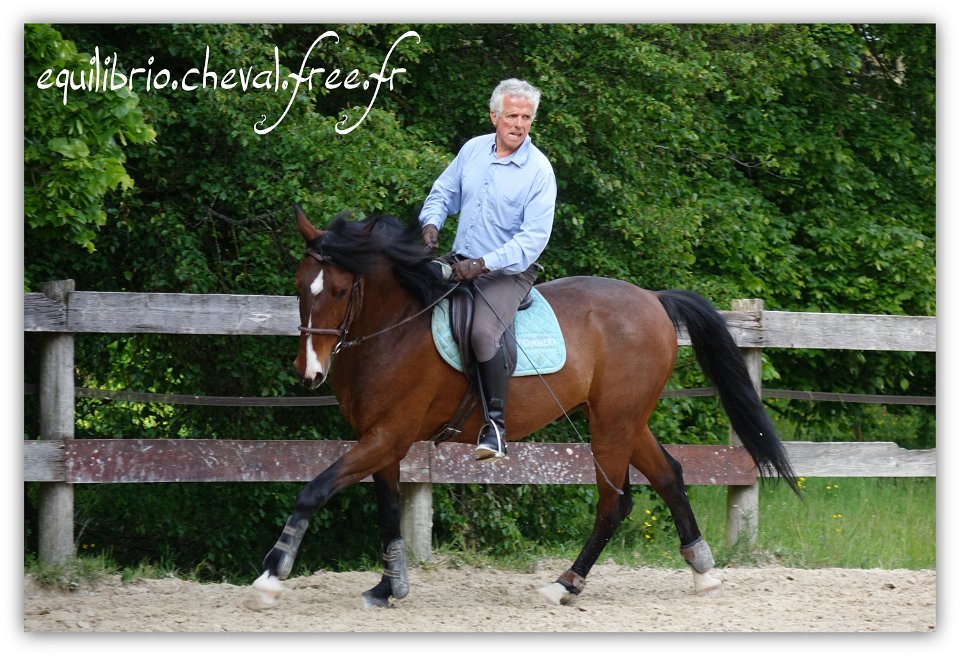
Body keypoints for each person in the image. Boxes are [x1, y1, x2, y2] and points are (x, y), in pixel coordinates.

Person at [419, 78, 557, 461]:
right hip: (461, 259)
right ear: (494, 115)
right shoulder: (472, 150)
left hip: (508, 271)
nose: (519, 124)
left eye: (526, 117)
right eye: (512, 115)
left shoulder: (539, 172)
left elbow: (532, 239)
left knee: (482, 334)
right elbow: (444, 192)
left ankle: (494, 426)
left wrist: (482, 264)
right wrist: (431, 223)